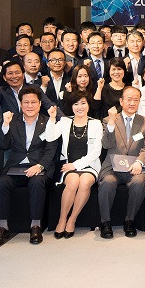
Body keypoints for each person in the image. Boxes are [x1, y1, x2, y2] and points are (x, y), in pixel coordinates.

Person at [0, 87, 58, 247]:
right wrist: (5, 125)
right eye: (26, 102)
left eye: (33, 102)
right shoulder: (13, 120)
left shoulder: (49, 122)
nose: (30, 105)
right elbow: (4, 145)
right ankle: (2, 228)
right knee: (1, 183)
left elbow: (51, 149)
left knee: (37, 182)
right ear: (20, 104)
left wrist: (40, 166)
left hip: (38, 166)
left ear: (40, 104)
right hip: (16, 167)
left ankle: (35, 226)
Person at [98, 86, 145, 238]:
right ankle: (105, 222)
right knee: (108, 182)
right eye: (129, 99)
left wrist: (139, 162)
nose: (132, 103)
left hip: (134, 166)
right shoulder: (108, 120)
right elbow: (106, 144)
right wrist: (111, 123)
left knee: (138, 183)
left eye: (136, 100)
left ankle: (129, 221)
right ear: (121, 101)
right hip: (112, 166)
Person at [51, 92, 102, 239]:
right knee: (73, 182)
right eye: (76, 104)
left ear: (88, 105)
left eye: (83, 103)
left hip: (90, 165)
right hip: (68, 165)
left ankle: (72, 220)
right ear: (71, 106)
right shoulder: (64, 121)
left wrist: (76, 165)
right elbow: (50, 137)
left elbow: (96, 151)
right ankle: (62, 219)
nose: (80, 107)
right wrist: (52, 119)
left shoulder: (96, 123)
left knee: (84, 182)